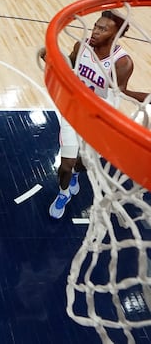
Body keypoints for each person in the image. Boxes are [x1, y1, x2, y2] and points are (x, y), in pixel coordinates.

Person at [40, 11, 150, 219]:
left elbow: (122, 91)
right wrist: (53, 61)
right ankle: (64, 193)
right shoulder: (81, 46)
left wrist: (146, 96)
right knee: (66, 165)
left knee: (83, 162)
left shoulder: (122, 63)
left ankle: (75, 178)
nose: (95, 31)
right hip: (73, 112)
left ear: (115, 36)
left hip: (99, 120)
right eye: (96, 26)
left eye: (102, 29)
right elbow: (71, 67)